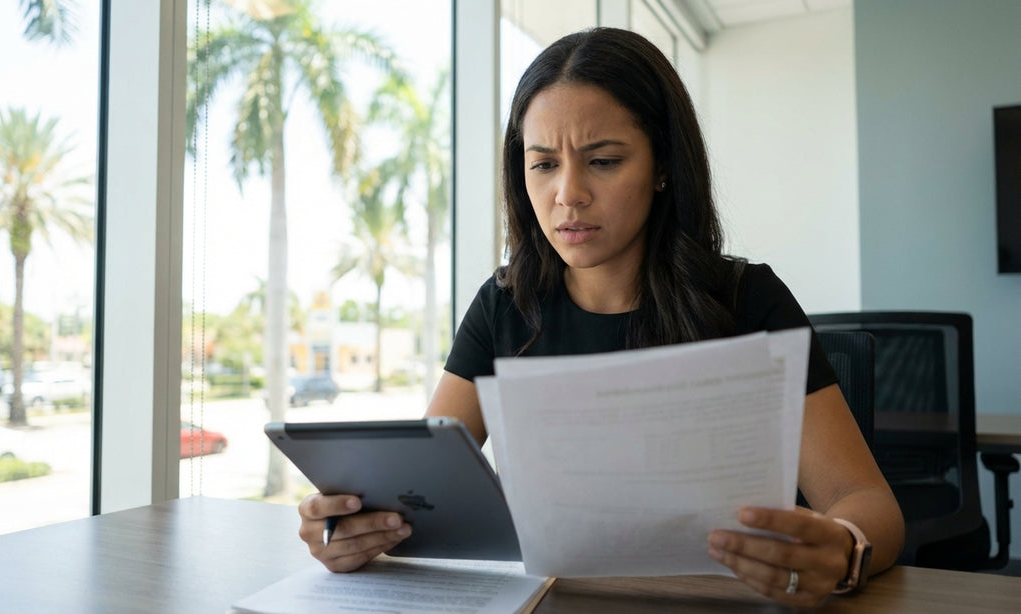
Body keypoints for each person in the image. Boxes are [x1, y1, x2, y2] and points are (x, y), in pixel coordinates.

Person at [298, 26, 904, 607]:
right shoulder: (504, 305)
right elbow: (419, 493)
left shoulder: (746, 299)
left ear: (663, 166)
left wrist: (844, 549)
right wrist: (354, 530)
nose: (568, 194)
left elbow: (863, 498)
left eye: (604, 161)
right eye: (543, 164)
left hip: (726, 602)